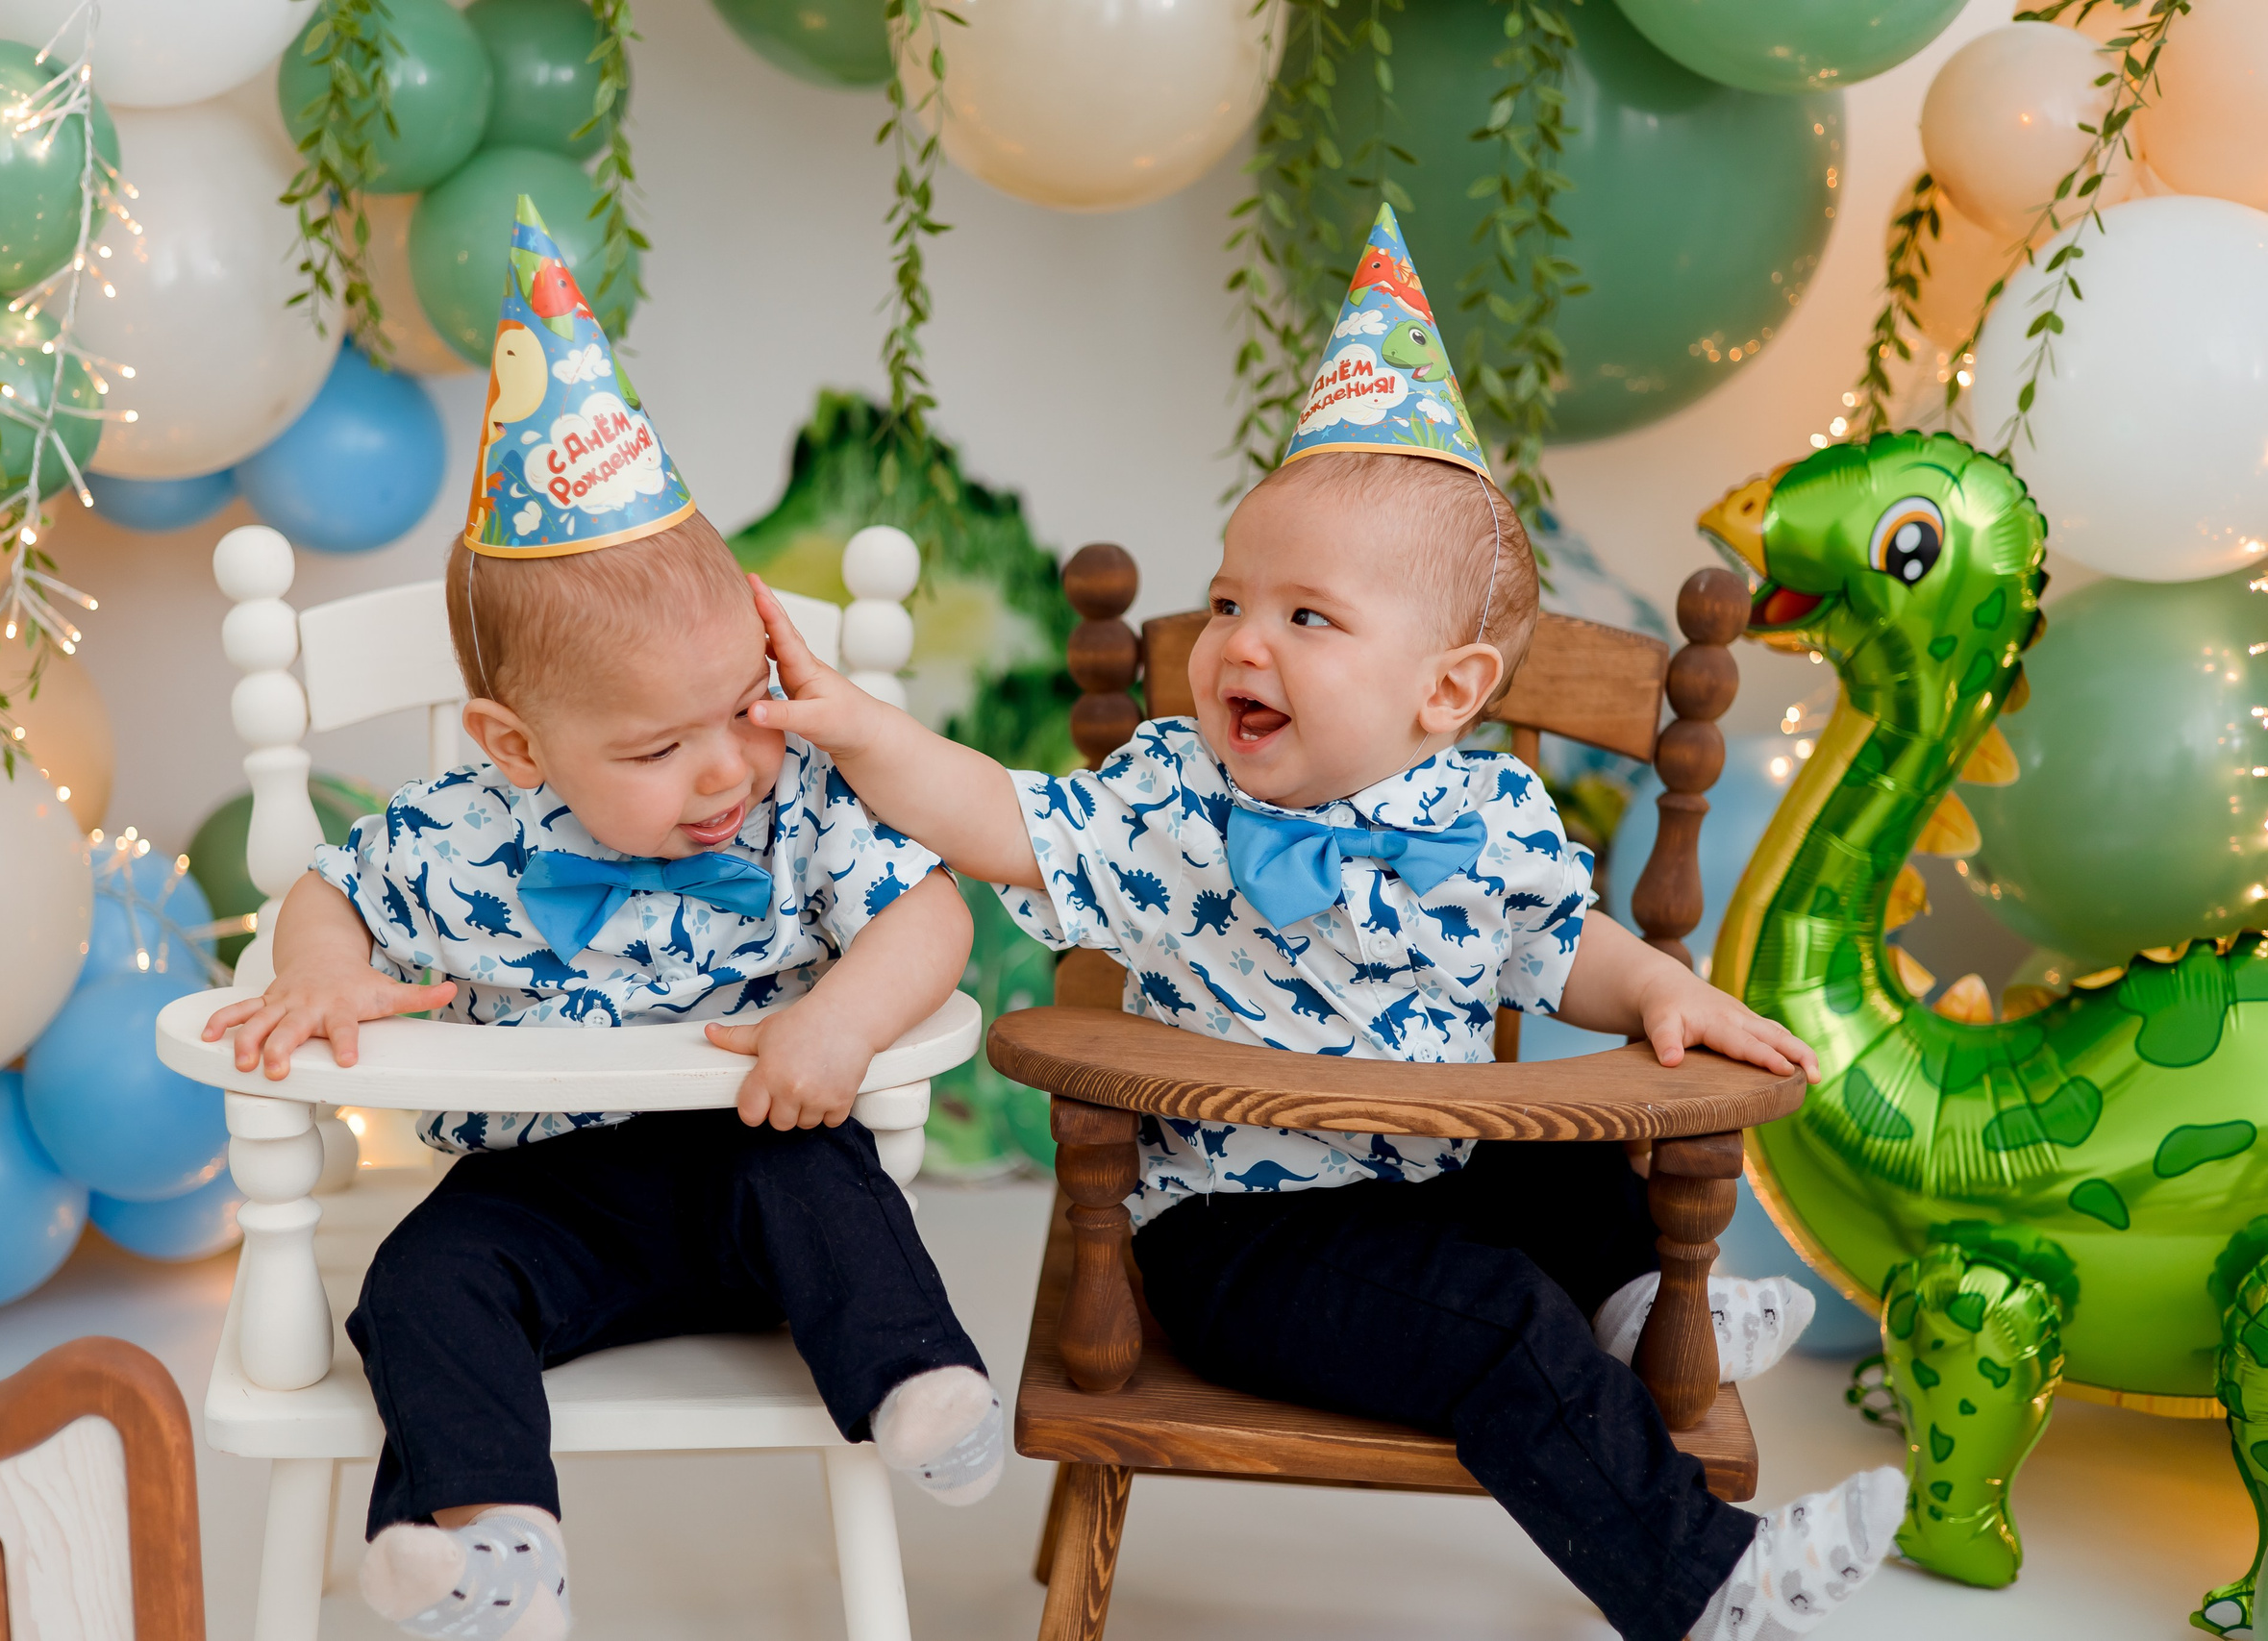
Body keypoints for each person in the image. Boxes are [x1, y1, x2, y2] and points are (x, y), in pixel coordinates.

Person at [746, 206, 1901, 1641]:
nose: (1242, 639)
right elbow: (999, 815)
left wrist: (1664, 993)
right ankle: (1707, 1579)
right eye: (1232, 598)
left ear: (1448, 691)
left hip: (1429, 1173)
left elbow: (1559, 951)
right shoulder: (1175, 798)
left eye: (1309, 618)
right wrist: (867, 730)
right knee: (1496, 1323)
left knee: (1576, 1166)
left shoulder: (1485, 816)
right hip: (1241, 1237)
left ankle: (1641, 1304)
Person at [201, 197, 999, 1641]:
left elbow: (933, 914)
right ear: (517, 746)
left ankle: (912, 1379)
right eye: (657, 748)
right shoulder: (462, 835)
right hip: (546, 1195)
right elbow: (330, 888)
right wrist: (324, 975)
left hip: (754, 1142)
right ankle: (494, 1538)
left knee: (830, 1193)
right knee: (417, 1282)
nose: (725, 770)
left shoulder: (802, 796)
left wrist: (837, 1023)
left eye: (744, 708)